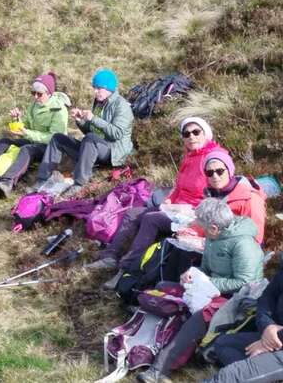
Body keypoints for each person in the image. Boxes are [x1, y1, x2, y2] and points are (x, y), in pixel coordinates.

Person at [136, 198, 264, 383]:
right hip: (210, 289)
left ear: (213, 227)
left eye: (203, 228)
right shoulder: (214, 238)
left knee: (200, 317)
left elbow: (246, 281)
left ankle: (158, 370)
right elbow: (206, 268)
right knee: (162, 289)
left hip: (238, 300)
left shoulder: (243, 244)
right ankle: (149, 341)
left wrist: (208, 282)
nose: (201, 231)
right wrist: (192, 275)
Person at [88, 117, 226, 284]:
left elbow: (213, 196)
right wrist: (169, 202)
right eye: (186, 133)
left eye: (196, 132)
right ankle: (110, 255)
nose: (191, 137)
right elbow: (179, 188)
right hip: (176, 209)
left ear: (206, 134)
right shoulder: (189, 157)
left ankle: (126, 270)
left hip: (193, 215)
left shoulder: (214, 161)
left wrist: (182, 209)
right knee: (132, 213)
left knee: (150, 219)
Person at [0, 72, 70, 197]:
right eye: (33, 93)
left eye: (39, 94)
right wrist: (17, 120)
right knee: (5, 141)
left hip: (51, 149)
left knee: (27, 149)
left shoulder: (59, 110)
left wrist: (27, 133)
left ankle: (7, 182)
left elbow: (53, 138)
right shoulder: (34, 105)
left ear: (49, 93)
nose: (35, 97)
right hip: (34, 140)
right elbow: (25, 126)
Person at [161, 150, 267, 282]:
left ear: (229, 170)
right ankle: (168, 291)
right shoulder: (212, 194)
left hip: (237, 253)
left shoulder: (250, 198)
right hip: (214, 244)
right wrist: (190, 233)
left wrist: (210, 243)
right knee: (179, 248)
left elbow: (255, 238)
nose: (215, 176)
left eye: (220, 171)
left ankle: (181, 291)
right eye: (209, 172)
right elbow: (204, 223)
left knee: (187, 254)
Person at [32, 68, 133, 194]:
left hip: (113, 152)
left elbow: (117, 134)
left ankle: (78, 183)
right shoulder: (99, 102)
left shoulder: (121, 106)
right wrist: (81, 121)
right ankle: (42, 178)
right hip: (93, 147)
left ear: (108, 88)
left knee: (90, 138)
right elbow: (91, 131)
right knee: (58, 138)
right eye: (94, 88)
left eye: (98, 88)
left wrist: (93, 119)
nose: (95, 91)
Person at [202, 268, 283, 383]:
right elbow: (267, 298)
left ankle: (258, 372)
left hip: (277, 341)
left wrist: (271, 342)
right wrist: (267, 326)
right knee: (222, 343)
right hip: (272, 334)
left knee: (230, 376)